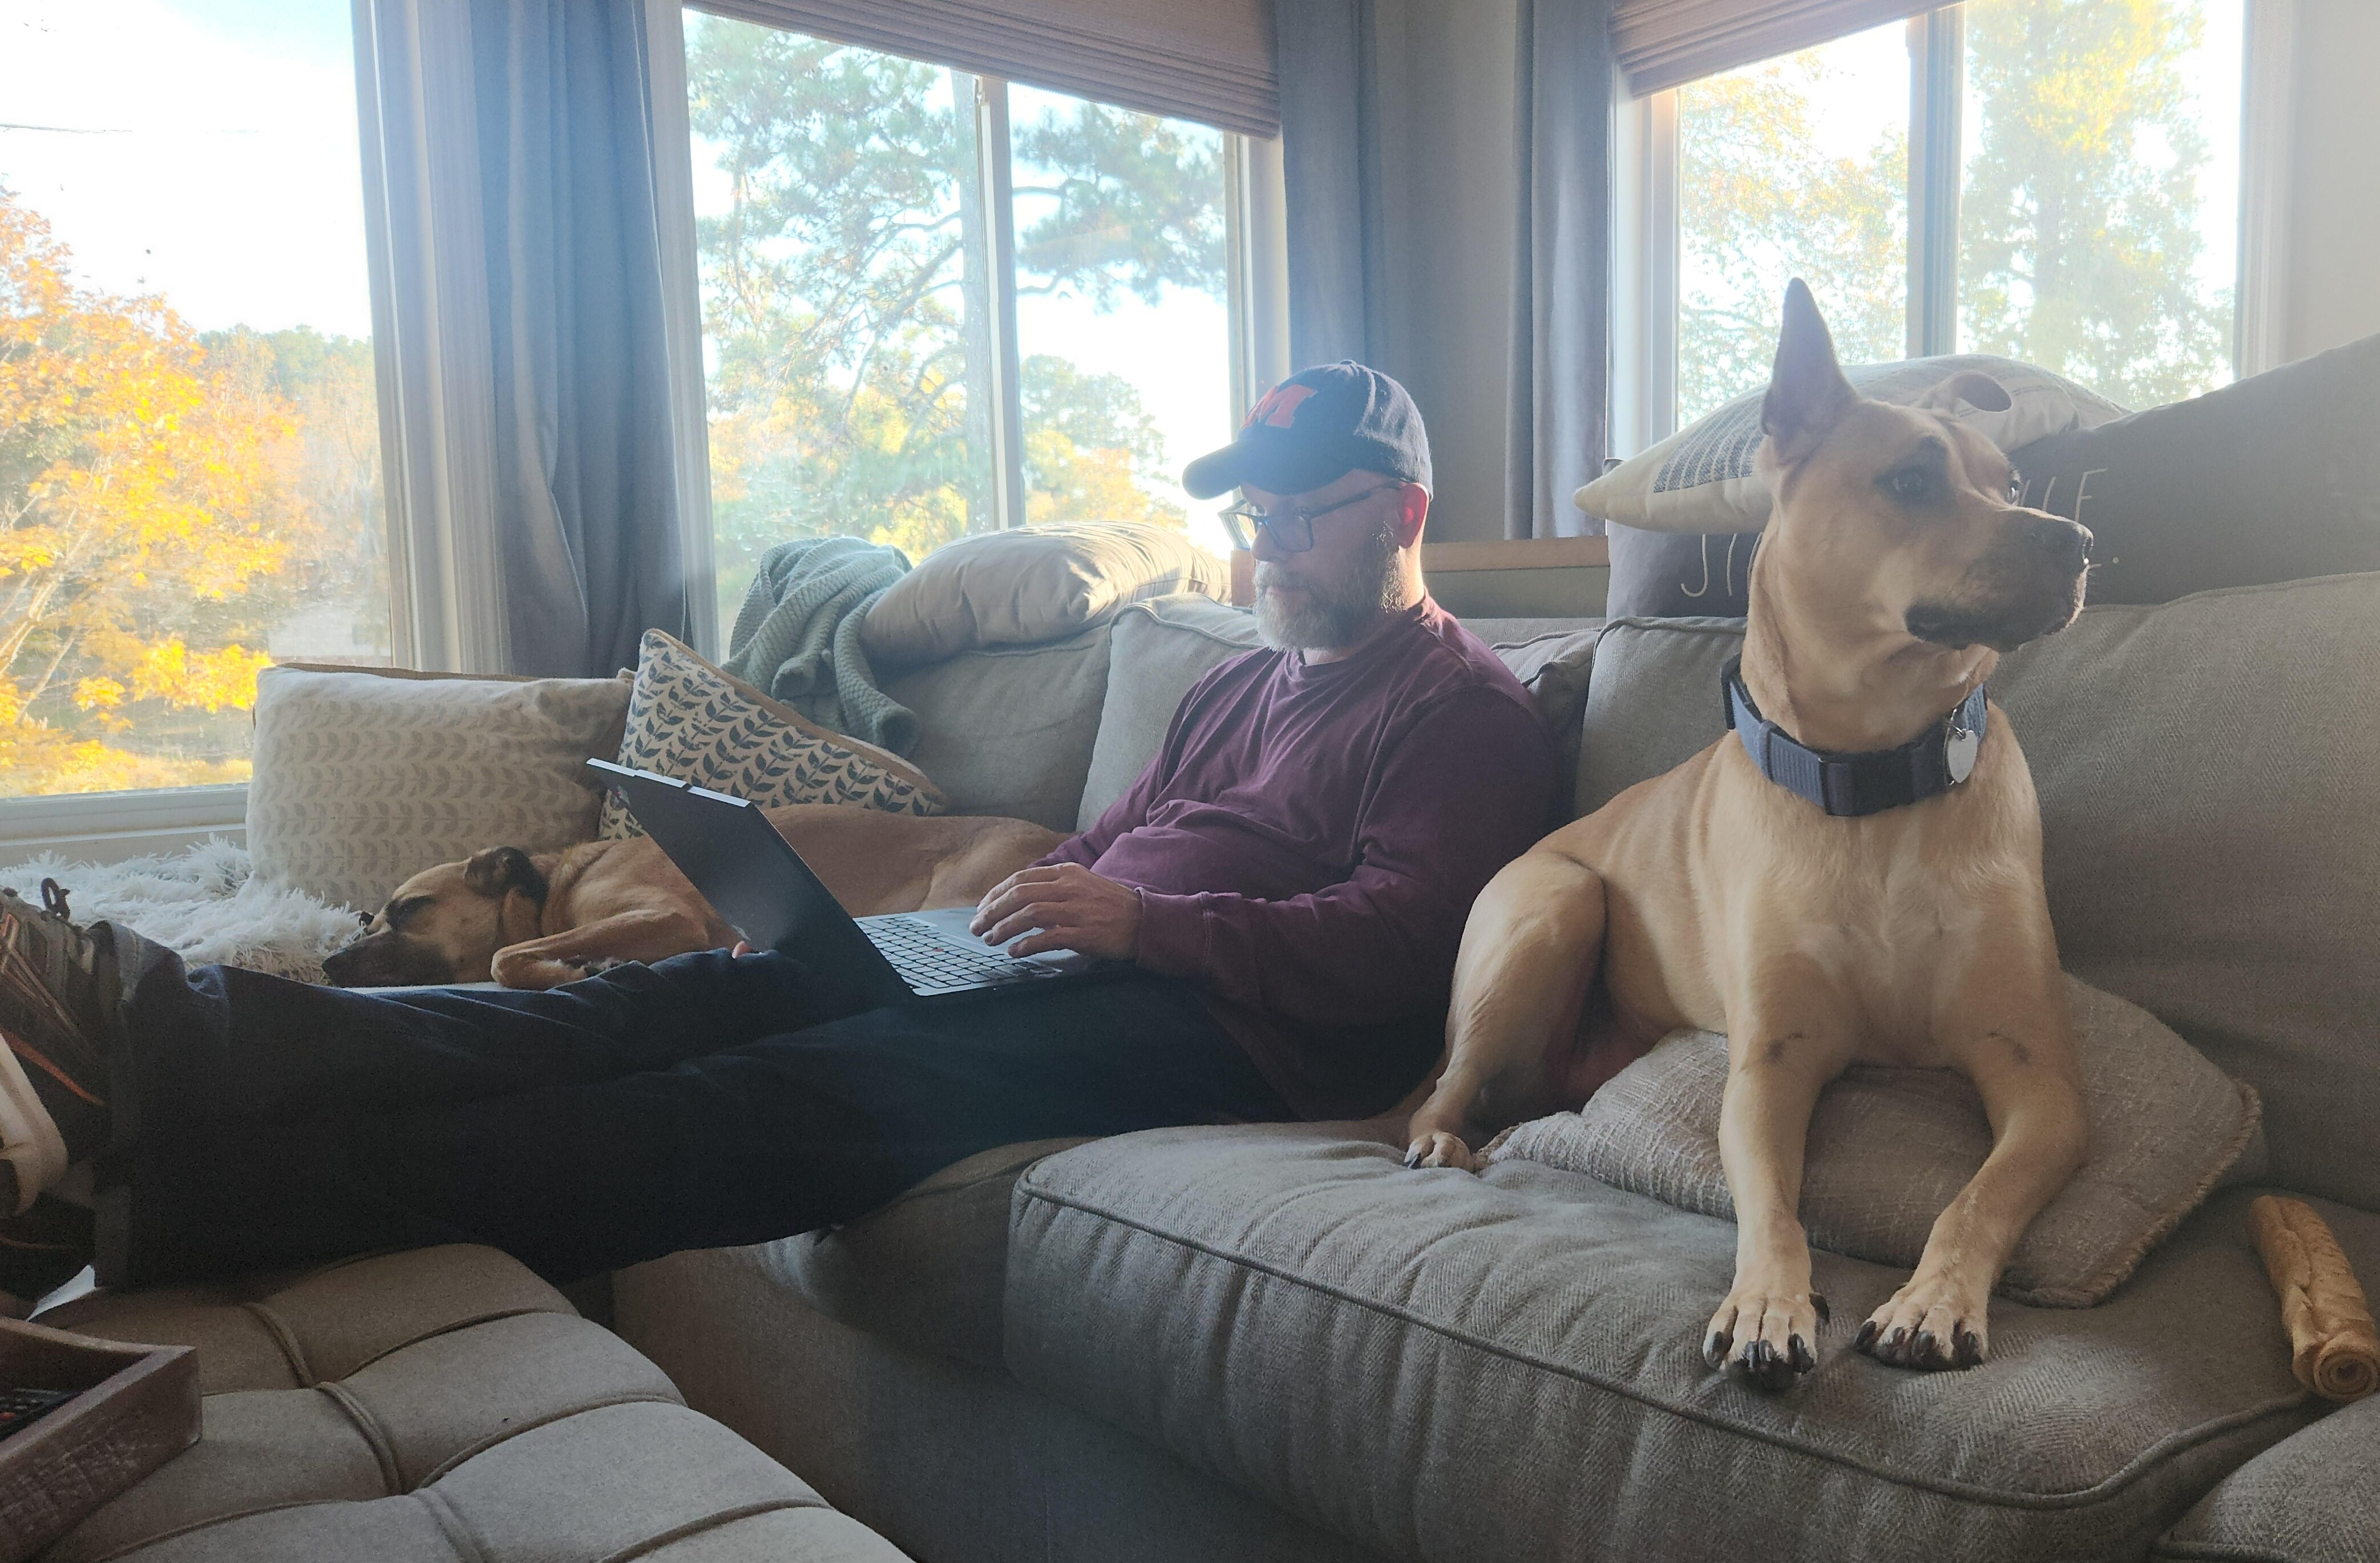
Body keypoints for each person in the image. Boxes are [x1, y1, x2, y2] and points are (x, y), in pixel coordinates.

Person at [0, 365, 1558, 1297]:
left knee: (758, 1097)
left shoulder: (1465, 713)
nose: (1271, 542)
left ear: (1403, 511)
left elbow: (1412, 951)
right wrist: (1059, 902)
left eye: (1306, 510)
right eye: (1254, 515)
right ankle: (160, 1034)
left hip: (1220, 1037)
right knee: (667, 998)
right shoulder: (1243, 685)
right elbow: (1123, 836)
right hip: (1051, 962)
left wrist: (1144, 926)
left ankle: (172, 1205)